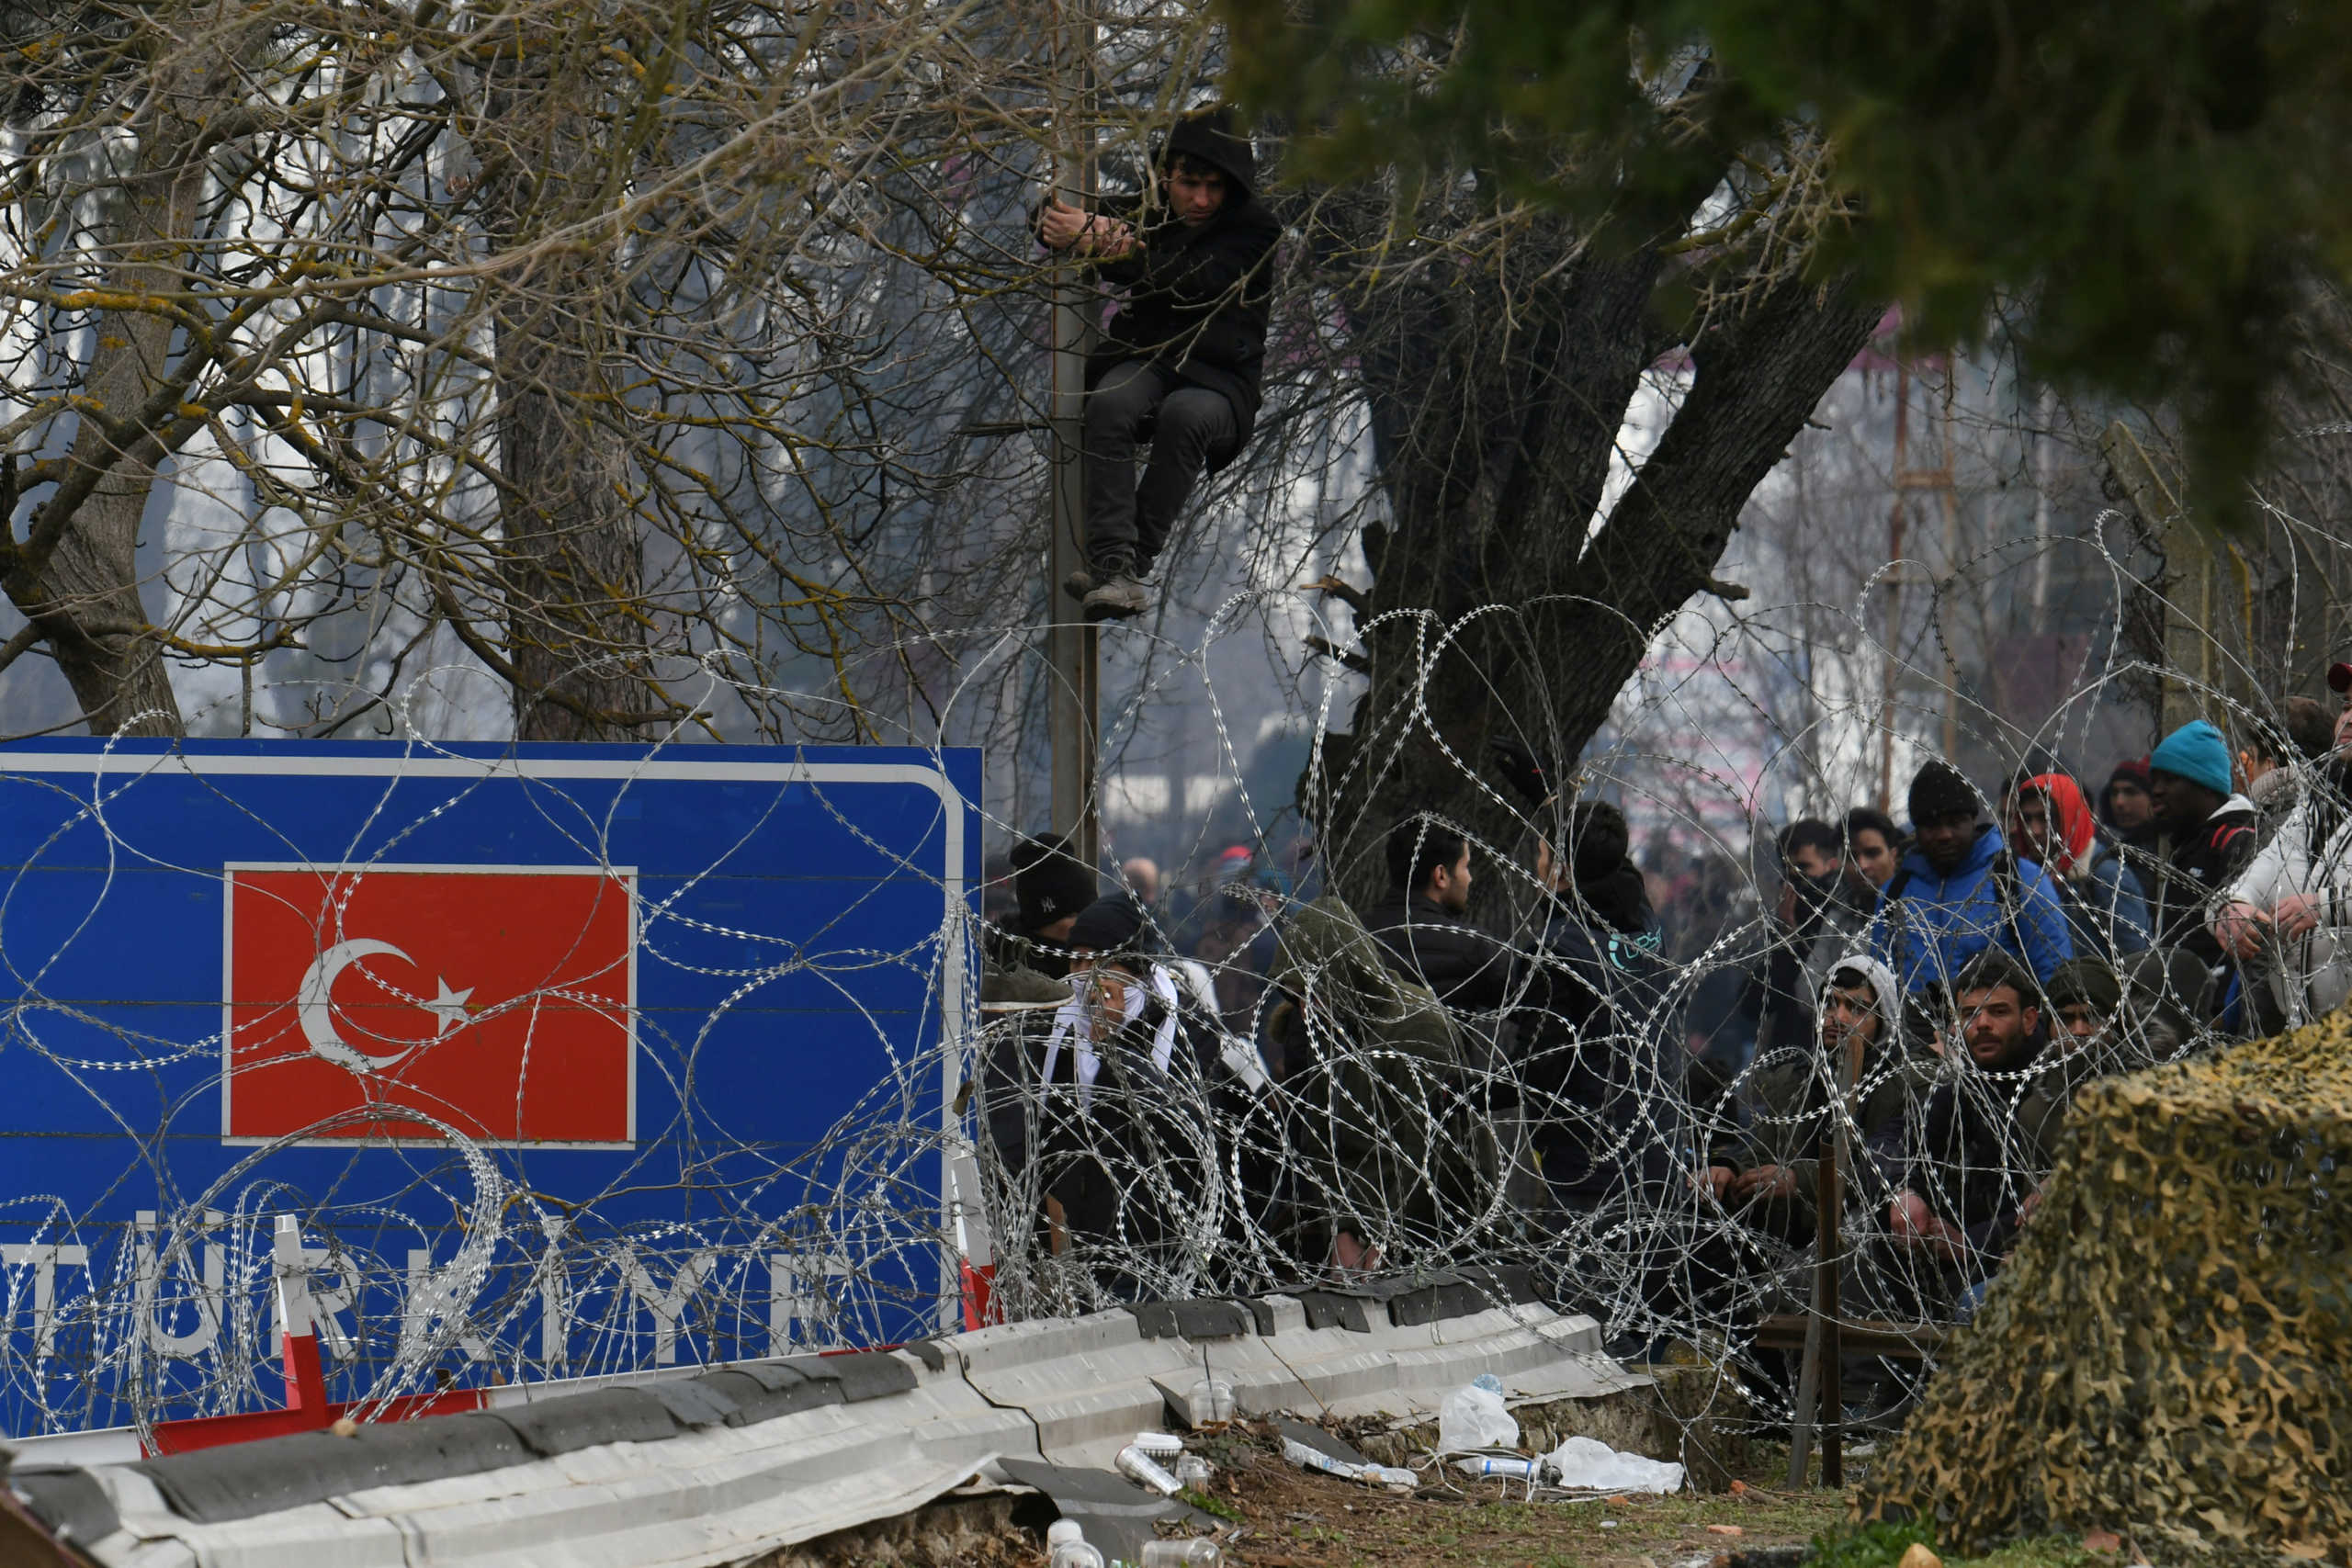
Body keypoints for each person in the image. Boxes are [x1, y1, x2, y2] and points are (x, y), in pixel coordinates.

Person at [1038, 107, 1283, 622]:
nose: (1201, 200)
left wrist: (1110, 245)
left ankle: (1131, 564)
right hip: (1147, 359)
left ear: (1233, 187)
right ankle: (1113, 567)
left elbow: (1191, 282)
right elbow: (1068, 210)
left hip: (1220, 380)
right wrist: (1058, 223)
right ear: (1165, 176)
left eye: (1214, 187)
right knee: (1109, 401)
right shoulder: (1149, 211)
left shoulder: (1257, 231)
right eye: (1189, 183)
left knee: (1184, 418)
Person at [1708, 956, 1922, 1250]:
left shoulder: (1901, 1087)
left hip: (1863, 1241)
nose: (1838, 1017)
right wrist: (1729, 1168)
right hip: (1785, 1239)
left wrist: (1800, 1179)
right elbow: (1765, 1150)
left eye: (1857, 1008)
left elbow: (1877, 1173)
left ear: (1883, 1020)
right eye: (1830, 1004)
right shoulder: (1799, 1080)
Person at [1885, 950, 2051, 1302]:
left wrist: (1971, 1243)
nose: (1983, 1024)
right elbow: (1901, 1138)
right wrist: (1905, 1191)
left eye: (1998, 1011)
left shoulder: (2054, 1091)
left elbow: (2044, 1204)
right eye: (1970, 1013)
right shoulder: (1966, 1086)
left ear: (2030, 1020)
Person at [1867, 760, 2073, 997]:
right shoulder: (1896, 893)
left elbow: (2056, 976)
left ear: (1972, 821)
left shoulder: (2017, 879)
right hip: (1916, 1031)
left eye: (1955, 823)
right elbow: (1879, 987)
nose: (1944, 834)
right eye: (1932, 825)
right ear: (1917, 830)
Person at [2211, 693, 2352, 1032]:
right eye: (2346, 706)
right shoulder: (2317, 803)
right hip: (2309, 1043)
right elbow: (2265, 868)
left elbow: (2319, 904)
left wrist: (2326, 905)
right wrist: (2230, 906)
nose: (2348, 718)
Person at [1364, 815, 1516, 1012]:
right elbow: (1542, 1003)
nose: (1469, 878)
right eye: (1466, 866)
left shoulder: (1353, 934)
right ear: (1441, 875)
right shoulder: (1473, 948)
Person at [1749, 819, 1870, 1060]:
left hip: (1838, 1055)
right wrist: (1787, 938)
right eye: (1788, 870)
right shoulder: (1785, 919)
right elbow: (1754, 1003)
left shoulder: (1845, 918)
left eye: (1804, 868)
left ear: (1832, 865)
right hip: (1790, 1058)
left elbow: (1826, 992)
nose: (1794, 879)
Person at [2144, 719, 2260, 970]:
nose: (2157, 790)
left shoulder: (2235, 842)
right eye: (2154, 780)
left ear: (2207, 788)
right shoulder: (2189, 846)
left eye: (2170, 779)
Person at [2003, 772, 2152, 959]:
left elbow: (2139, 959)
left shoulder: (2105, 875)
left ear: (2070, 818)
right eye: (2027, 819)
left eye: (2046, 819)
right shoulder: (2027, 879)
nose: (2035, 831)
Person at [1845, 807, 1904, 896]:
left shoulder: (1918, 904)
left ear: (1893, 856)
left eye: (1872, 854)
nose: (1862, 866)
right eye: (1852, 857)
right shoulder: (1831, 904)